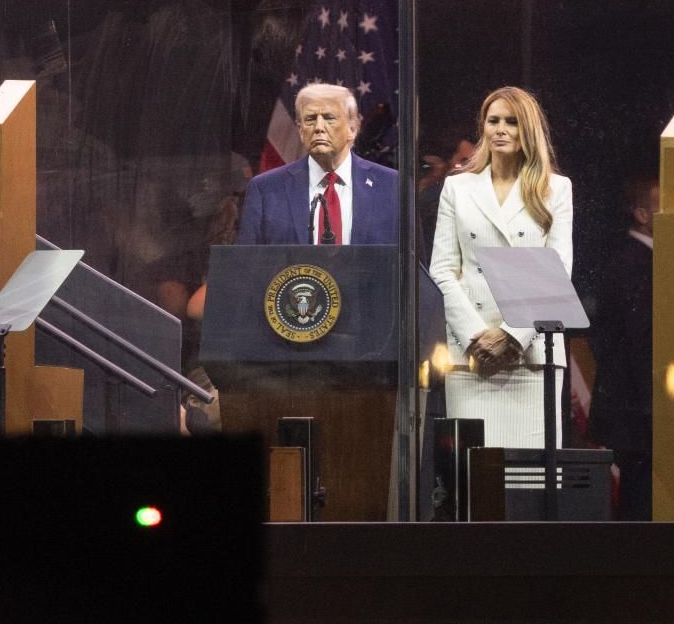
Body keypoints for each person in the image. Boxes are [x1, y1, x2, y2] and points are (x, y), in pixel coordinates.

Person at [429, 86, 573, 448]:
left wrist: (510, 336)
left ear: (528, 129)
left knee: (531, 474)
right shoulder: (457, 188)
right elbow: (442, 270)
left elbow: (558, 272)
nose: (501, 129)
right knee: (475, 470)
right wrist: (476, 335)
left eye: (512, 122)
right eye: (493, 121)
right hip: (471, 356)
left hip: (532, 356)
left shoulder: (555, 189)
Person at [237, 83, 398, 245]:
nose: (319, 127)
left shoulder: (392, 186)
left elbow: (409, 258)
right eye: (310, 119)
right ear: (301, 131)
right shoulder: (265, 189)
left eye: (329, 118)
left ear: (352, 129)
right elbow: (249, 259)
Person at [588, 176, 657, 520]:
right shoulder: (637, 263)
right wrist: (654, 402)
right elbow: (639, 339)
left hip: (635, 408)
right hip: (638, 410)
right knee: (639, 501)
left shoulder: (639, 260)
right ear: (642, 214)